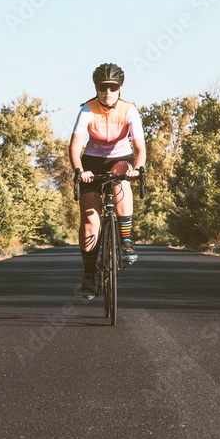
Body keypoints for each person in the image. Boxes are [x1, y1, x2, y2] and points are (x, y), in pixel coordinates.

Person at [69, 63, 147, 299]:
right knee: (91, 220)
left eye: (113, 87)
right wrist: (80, 170)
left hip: (120, 159)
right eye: (103, 87)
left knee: (121, 179)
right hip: (92, 162)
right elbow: (74, 146)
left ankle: (126, 240)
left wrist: (138, 168)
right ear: (97, 88)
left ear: (120, 88)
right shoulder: (87, 109)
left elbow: (140, 147)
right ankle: (89, 274)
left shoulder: (129, 110)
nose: (108, 92)